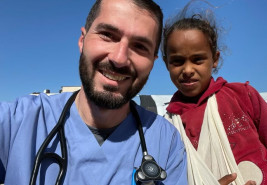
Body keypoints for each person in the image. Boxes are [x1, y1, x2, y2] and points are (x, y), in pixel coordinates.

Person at [0, 0, 188, 184]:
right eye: (107, 35)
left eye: (140, 46)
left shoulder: (166, 141)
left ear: (153, 61)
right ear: (82, 41)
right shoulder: (16, 123)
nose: (119, 58)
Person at [161, 1, 267, 185]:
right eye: (177, 61)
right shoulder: (168, 125)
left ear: (215, 59)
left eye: (198, 59)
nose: (188, 69)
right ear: (166, 62)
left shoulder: (242, 97)